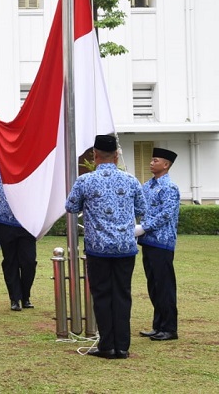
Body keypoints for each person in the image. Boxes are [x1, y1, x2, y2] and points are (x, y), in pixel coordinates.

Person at [65, 134, 147, 359]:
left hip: (98, 248)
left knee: (101, 296)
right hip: (125, 247)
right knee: (122, 294)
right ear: (117, 155)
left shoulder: (85, 181)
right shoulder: (130, 180)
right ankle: (122, 347)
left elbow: (71, 206)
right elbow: (141, 207)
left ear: (95, 155)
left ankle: (107, 346)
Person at [0, 139, 37, 312]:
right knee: (10, 262)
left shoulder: (29, 173)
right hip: (5, 222)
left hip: (26, 223)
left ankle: (26, 295)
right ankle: (15, 298)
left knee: (29, 261)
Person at [138, 147, 181, 342]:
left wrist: (144, 227)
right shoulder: (147, 186)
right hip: (148, 241)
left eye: (156, 160)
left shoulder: (169, 188)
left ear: (166, 165)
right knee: (153, 285)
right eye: (152, 159)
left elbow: (166, 214)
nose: (151, 163)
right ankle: (158, 325)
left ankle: (169, 328)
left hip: (162, 242)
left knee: (164, 286)